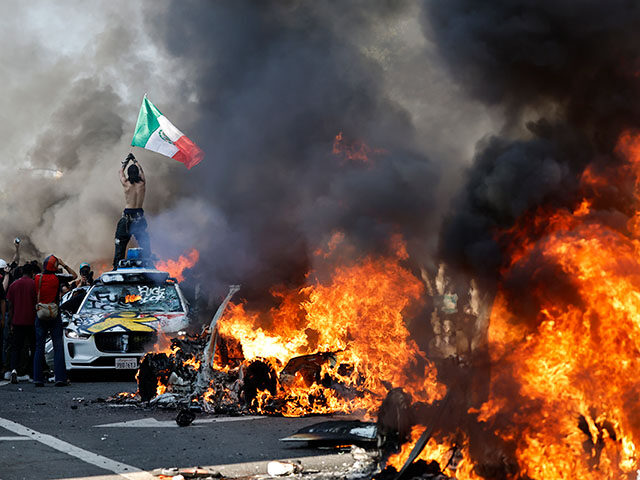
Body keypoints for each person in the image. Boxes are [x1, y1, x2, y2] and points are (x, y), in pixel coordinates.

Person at [33, 255, 77, 387]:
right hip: (54, 313)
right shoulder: (58, 277)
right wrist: (64, 265)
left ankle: (38, 378)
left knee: (39, 348)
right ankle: (60, 378)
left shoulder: (37, 278)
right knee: (58, 347)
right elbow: (74, 276)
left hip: (40, 314)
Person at [113, 153, 150, 269]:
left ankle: (116, 267)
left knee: (120, 243)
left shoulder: (126, 184)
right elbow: (141, 170)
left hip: (127, 218)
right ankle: (149, 263)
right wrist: (135, 160)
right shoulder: (142, 183)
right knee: (144, 242)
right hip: (139, 217)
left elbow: (120, 172)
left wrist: (127, 160)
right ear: (137, 173)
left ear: (129, 174)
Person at [6, 263, 36, 383]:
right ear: (32, 273)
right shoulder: (34, 284)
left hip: (17, 321)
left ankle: (14, 370)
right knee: (33, 347)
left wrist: (11, 322)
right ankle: (33, 372)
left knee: (16, 348)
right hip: (31, 321)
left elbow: (10, 305)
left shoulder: (14, 285)